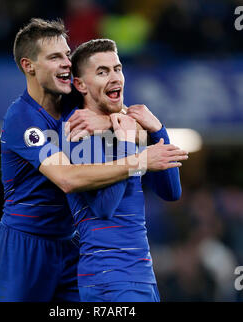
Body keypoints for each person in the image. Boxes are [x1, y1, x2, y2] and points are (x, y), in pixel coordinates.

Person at [0, 18, 188, 302]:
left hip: (72, 244)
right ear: (29, 66)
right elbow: (67, 178)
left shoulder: (72, 102)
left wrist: (109, 122)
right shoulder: (22, 118)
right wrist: (138, 158)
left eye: (67, 54)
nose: (67, 62)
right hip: (24, 245)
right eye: (55, 57)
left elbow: (121, 114)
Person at [61, 38, 185, 302]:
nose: (115, 77)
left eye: (117, 68)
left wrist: (157, 130)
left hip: (139, 274)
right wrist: (129, 146)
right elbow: (104, 208)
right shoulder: (80, 133)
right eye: (102, 72)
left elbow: (171, 191)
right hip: (110, 277)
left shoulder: (123, 129)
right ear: (80, 84)